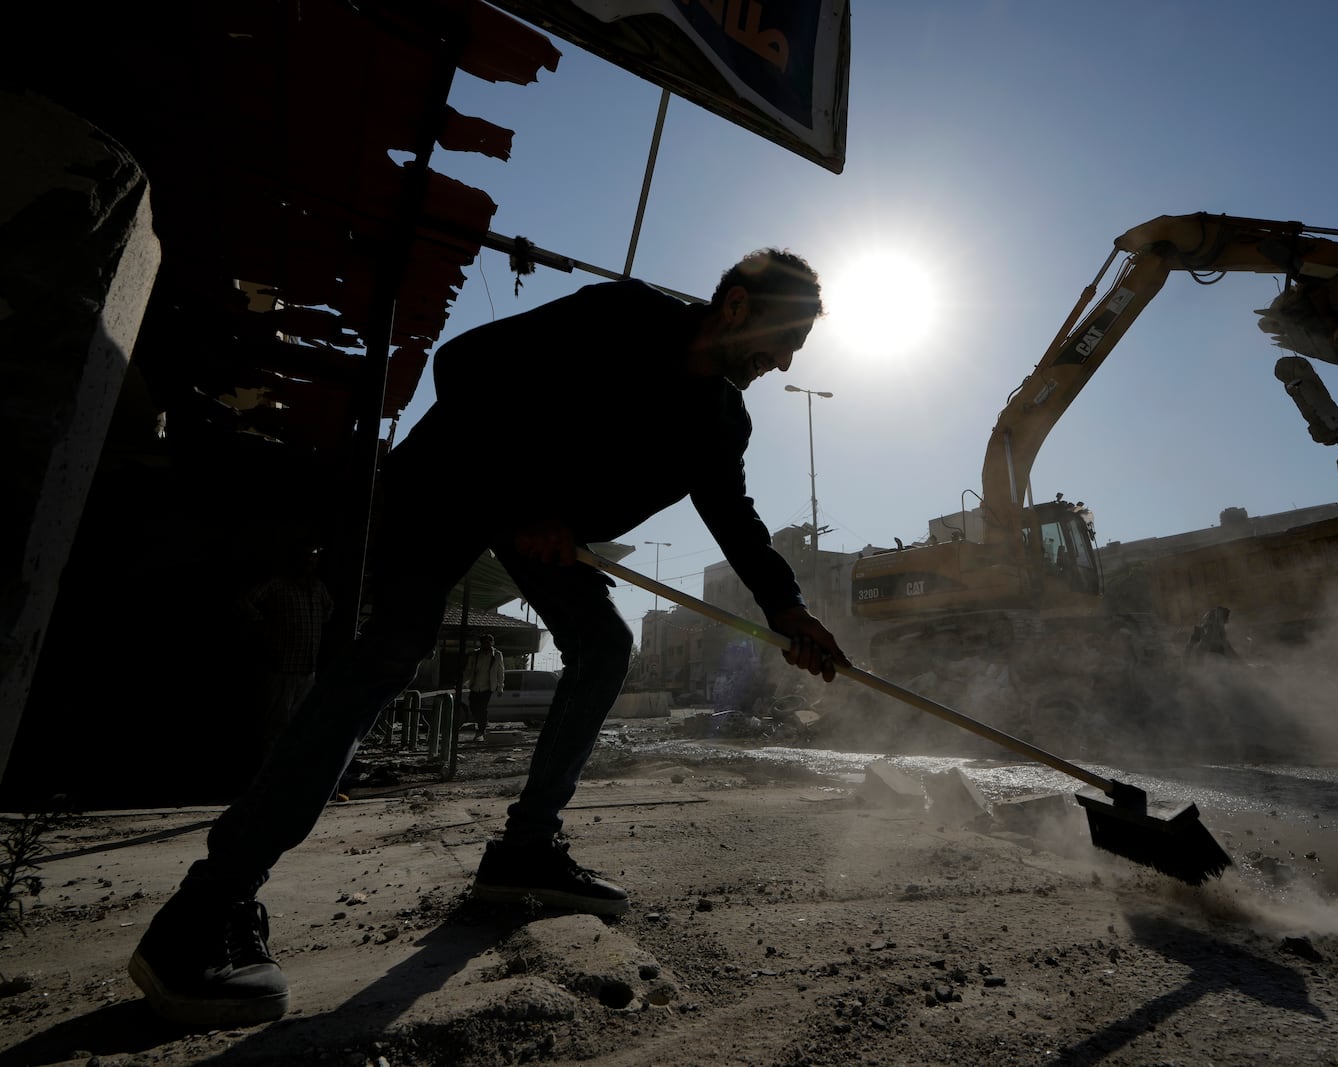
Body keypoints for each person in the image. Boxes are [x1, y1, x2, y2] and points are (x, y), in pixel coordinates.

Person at [127, 248, 851, 1028]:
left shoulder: (719, 418)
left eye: (795, 354)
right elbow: (467, 363)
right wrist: (532, 500)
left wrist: (789, 610)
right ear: (736, 305)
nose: (781, 363)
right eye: (783, 341)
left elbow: (735, 518)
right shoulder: (624, 317)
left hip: (547, 531)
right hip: (457, 480)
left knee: (604, 646)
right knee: (390, 652)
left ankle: (524, 852)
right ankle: (207, 906)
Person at [237, 542, 335, 768]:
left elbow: (329, 609)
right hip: (282, 666)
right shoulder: (277, 586)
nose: (311, 563)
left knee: (300, 722)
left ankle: (288, 768)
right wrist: (264, 624)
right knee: (275, 723)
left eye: (314, 559)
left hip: (308, 668)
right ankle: (268, 770)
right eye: (307, 558)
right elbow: (244, 603)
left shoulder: (317, 588)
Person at [461, 632, 504, 741]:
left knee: (482, 708)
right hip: (475, 686)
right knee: (473, 707)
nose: (487, 645)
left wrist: (500, 687)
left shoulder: (497, 655)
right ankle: (482, 724)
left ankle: (481, 730)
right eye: (484, 643)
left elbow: (500, 672)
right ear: (481, 644)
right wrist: (462, 682)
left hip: (488, 687)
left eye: (489, 643)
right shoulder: (475, 655)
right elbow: (469, 670)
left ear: (492, 643)